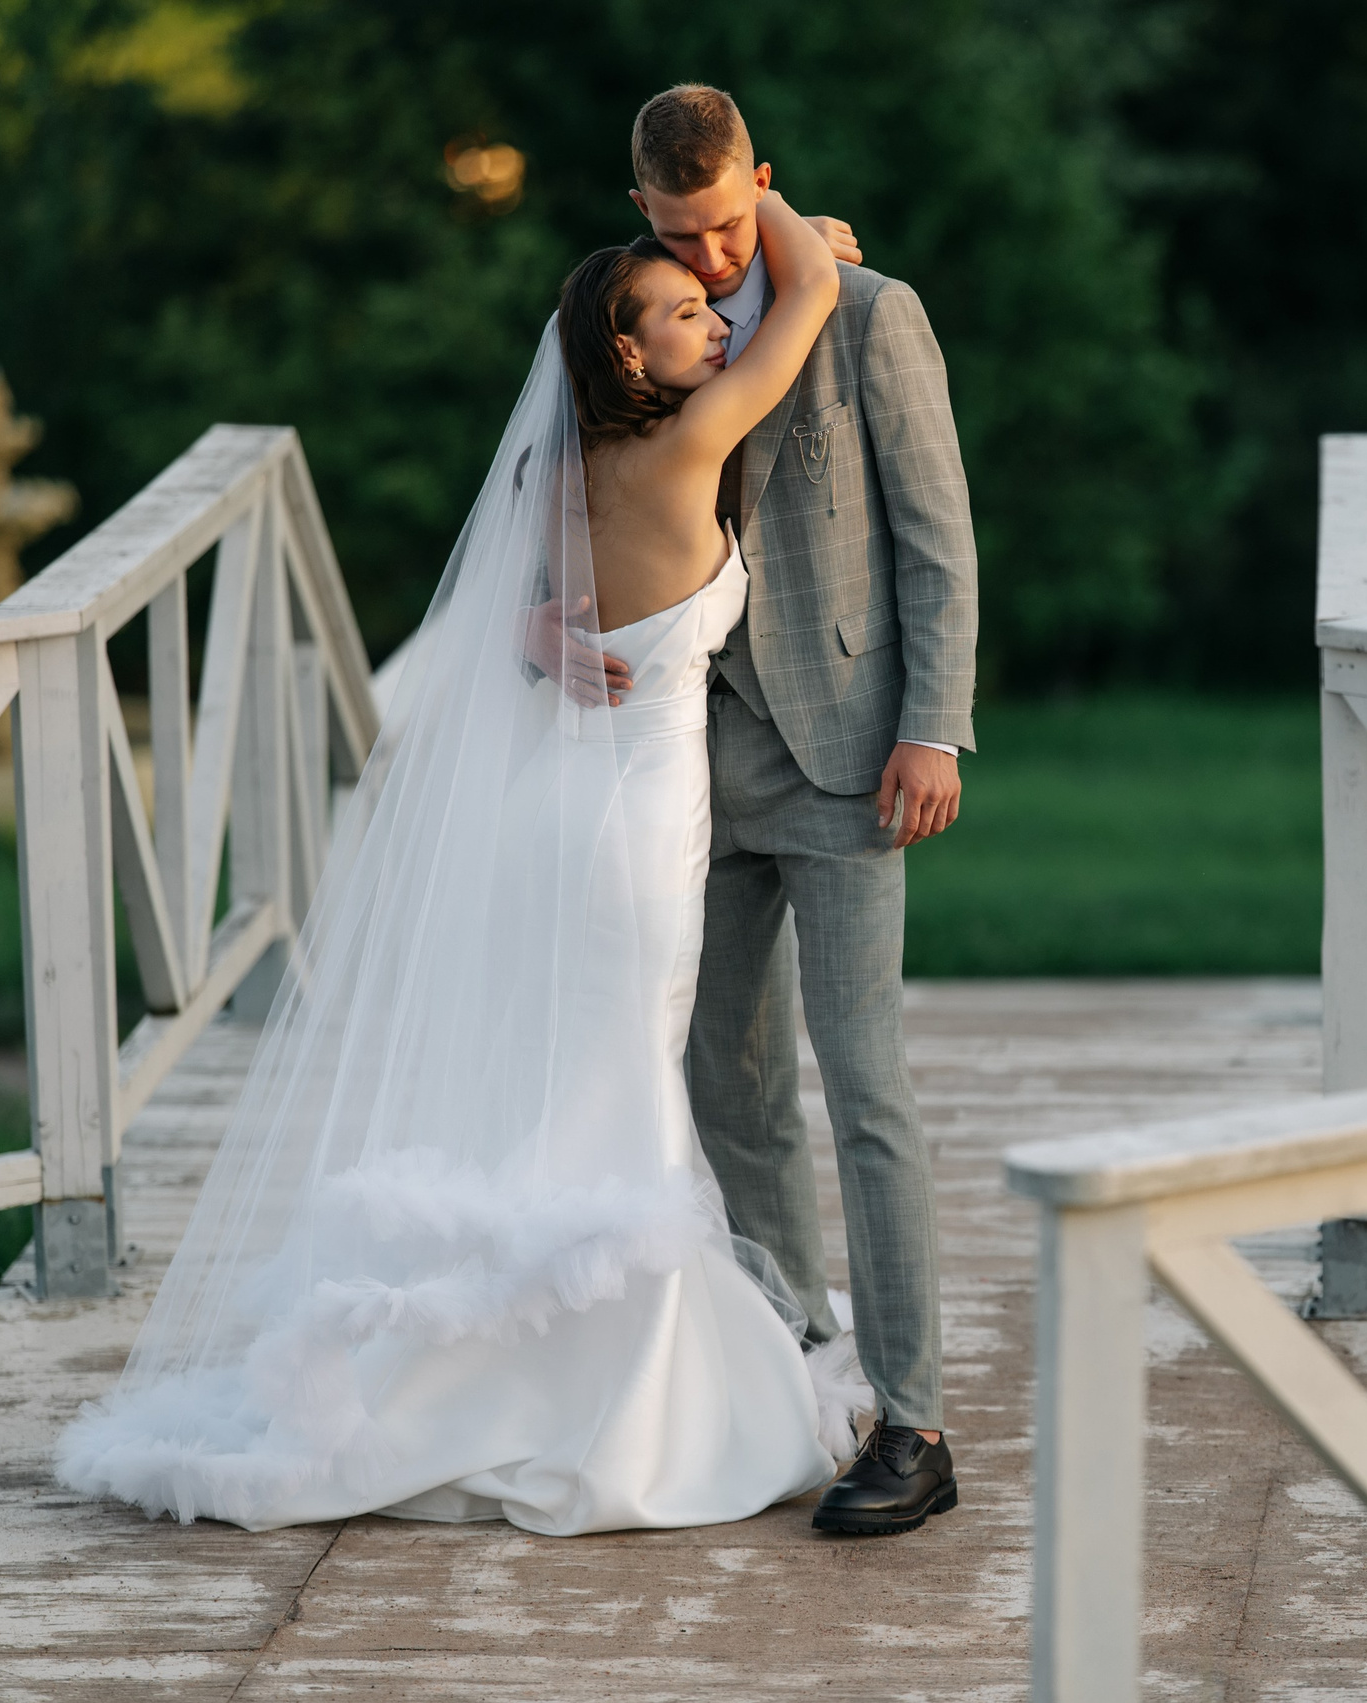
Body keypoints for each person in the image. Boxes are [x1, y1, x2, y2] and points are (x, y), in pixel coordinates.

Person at [53, 181, 884, 1536]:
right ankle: (620, 1402)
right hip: (632, 830)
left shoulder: (566, 470)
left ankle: (512, 1363)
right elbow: (802, 303)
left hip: (554, 800)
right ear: (627, 356)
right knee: (623, 1087)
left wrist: (538, 636)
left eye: (704, 300)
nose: (713, 321)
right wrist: (773, 209)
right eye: (681, 313)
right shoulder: (689, 452)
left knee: (564, 1083)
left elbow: (518, 609)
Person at [532, 83, 976, 1537]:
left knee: (868, 1091)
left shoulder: (868, 312)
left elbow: (937, 541)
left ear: (762, 187)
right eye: (677, 234)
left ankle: (912, 1418)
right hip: (696, 776)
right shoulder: (630, 328)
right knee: (731, 1090)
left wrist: (934, 728)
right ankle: (798, 1360)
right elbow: (563, 500)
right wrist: (547, 625)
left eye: (728, 227)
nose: (712, 263)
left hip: (856, 760)